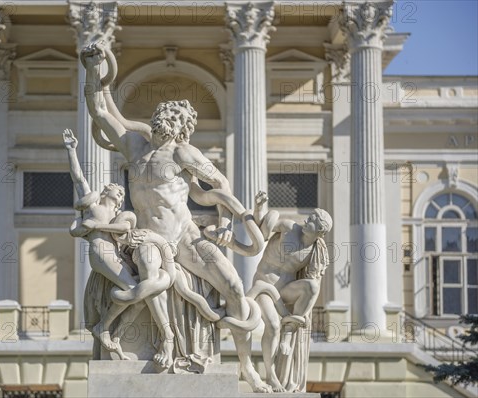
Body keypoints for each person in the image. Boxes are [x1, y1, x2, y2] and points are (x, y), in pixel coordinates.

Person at [81, 42, 270, 392]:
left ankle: (247, 367)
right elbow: (99, 111)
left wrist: (228, 222)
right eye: (165, 113)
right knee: (151, 277)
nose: (167, 117)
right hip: (148, 238)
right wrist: (94, 71)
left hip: (185, 237)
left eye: (176, 116)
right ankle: (157, 340)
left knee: (234, 287)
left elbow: (219, 184)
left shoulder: (184, 152)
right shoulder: (134, 148)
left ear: (184, 127)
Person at [63, 128, 177, 368]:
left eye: (121, 191)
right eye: (117, 189)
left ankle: (107, 329)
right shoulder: (92, 205)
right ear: (106, 192)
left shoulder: (120, 216)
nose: (120, 191)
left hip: (112, 253)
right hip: (100, 252)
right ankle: (105, 329)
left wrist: (95, 225)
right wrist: (72, 150)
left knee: (138, 290)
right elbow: (78, 179)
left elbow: (123, 229)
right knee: (135, 289)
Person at [247, 191, 332, 392]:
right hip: (264, 286)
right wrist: (260, 208)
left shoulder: (315, 252)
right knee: (273, 325)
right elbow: (261, 231)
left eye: (312, 219)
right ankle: (271, 376)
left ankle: (289, 332)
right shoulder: (288, 227)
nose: (306, 219)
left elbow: (313, 284)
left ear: (319, 231)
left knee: (312, 286)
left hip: (284, 292)